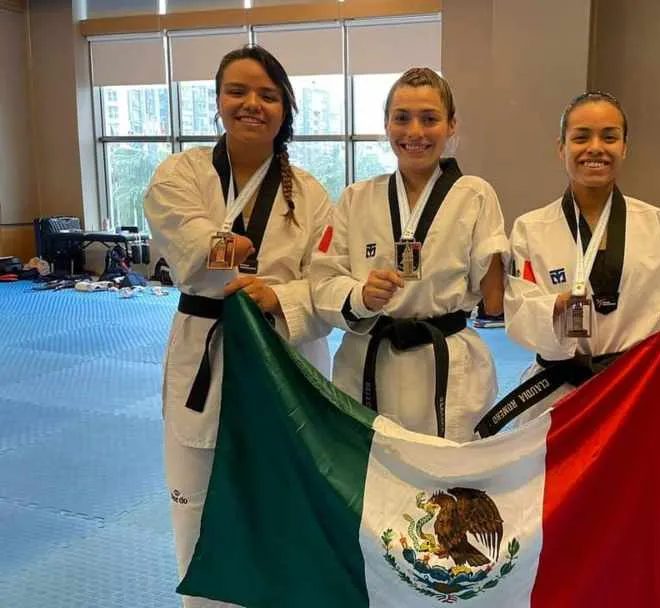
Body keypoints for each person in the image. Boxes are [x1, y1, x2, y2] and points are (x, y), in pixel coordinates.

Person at [143, 45, 332, 607]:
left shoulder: (311, 192)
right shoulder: (180, 173)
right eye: (238, 91)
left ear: (285, 107)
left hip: (284, 349)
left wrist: (277, 294)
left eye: (268, 95)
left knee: (283, 497)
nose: (252, 104)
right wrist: (236, 247)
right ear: (218, 101)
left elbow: (322, 283)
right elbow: (188, 248)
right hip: (206, 340)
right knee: (197, 500)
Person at [494, 92, 660, 434]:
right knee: (551, 487)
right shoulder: (530, 228)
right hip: (555, 393)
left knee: (628, 486)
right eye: (581, 137)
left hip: (632, 392)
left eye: (610, 137)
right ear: (561, 148)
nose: (595, 148)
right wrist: (553, 309)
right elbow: (518, 310)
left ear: (625, 147)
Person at [310, 67, 507, 443]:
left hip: (446, 361)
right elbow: (323, 281)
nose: (414, 132)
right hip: (370, 356)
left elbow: (494, 298)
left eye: (429, 119)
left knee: (449, 487)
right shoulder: (356, 197)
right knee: (371, 481)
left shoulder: (475, 195)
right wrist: (361, 296)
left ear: (452, 126)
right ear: (386, 125)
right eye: (401, 118)